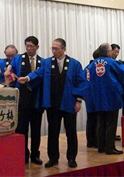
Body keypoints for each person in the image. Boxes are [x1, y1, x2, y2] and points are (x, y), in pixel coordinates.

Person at [18, 38, 87, 168]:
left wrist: (78, 100)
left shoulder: (74, 64)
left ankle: (71, 158)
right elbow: (38, 73)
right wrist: (27, 78)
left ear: (64, 49)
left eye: (56, 48)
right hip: (52, 104)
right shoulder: (47, 63)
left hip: (69, 103)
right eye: (52, 48)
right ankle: (53, 158)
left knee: (71, 132)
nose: (54, 51)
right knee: (53, 132)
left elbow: (81, 82)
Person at [85, 43, 124, 155]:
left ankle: (101, 146)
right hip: (111, 96)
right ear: (108, 52)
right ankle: (110, 147)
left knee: (101, 121)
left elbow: (85, 79)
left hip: (97, 97)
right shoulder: (112, 62)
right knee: (111, 122)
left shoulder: (91, 65)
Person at [6, 36, 44, 164]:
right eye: (27, 46)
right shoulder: (18, 59)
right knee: (21, 130)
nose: (29, 49)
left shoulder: (42, 62)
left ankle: (35, 155)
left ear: (37, 47)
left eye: (31, 46)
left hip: (37, 100)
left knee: (36, 130)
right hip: (22, 101)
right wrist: (9, 76)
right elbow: (9, 74)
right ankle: (22, 154)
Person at [84, 48, 100, 148]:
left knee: (90, 119)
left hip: (88, 96)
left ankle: (90, 141)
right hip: (96, 96)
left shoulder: (87, 67)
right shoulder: (98, 67)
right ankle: (97, 141)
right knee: (98, 119)